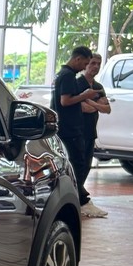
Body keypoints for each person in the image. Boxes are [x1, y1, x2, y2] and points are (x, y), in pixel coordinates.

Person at [50, 45, 104, 217]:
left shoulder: (62, 74)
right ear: (77, 59)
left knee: (76, 164)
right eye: (86, 63)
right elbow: (65, 101)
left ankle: (77, 199)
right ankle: (79, 200)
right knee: (77, 165)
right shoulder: (67, 76)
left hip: (67, 127)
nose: (85, 67)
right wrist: (85, 95)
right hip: (69, 129)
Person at [75, 53, 111, 217]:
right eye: (92, 63)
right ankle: (80, 199)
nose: (95, 66)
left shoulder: (98, 87)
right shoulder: (77, 84)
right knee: (78, 165)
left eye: (98, 63)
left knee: (86, 166)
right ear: (86, 64)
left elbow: (107, 109)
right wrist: (96, 104)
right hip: (78, 131)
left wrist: (90, 102)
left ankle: (80, 197)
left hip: (91, 132)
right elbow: (82, 107)